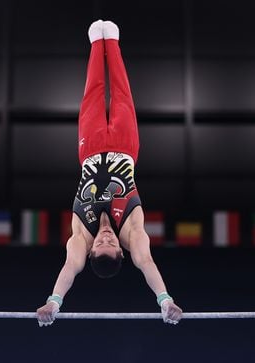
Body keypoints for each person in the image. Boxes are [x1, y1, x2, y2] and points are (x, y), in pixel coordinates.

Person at [36, 20, 183, 327]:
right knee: (122, 95)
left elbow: (69, 269)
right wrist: (165, 300)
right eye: (112, 245)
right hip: (125, 146)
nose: (105, 237)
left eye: (100, 244)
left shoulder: (80, 237)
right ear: (120, 249)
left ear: (90, 251)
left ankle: (95, 44)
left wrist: (54, 302)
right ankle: (112, 42)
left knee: (91, 95)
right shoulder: (131, 231)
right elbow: (146, 262)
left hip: (89, 150)